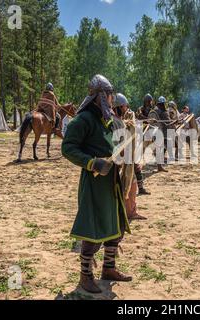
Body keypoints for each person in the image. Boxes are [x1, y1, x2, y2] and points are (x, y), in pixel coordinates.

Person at [61, 75, 132, 295]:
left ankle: (108, 268)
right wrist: (92, 162)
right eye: (110, 94)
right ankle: (85, 276)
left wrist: (119, 156)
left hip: (112, 182)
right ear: (102, 96)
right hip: (94, 183)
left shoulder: (106, 118)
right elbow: (68, 148)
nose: (112, 99)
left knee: (116, 226)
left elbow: (112, 143)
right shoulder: (84, 120)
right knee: (93, 230)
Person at [114, 93, 147, 221]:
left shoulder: (120, 120)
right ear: (118, 107)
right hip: (117, 162)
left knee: (131, 182)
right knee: (127, 184)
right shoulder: (115, 121)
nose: (125, 110)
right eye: (123, 107)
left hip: (125, 160)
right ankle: (127, 212)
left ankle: (130, 211)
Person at [148, 96, 171, 172]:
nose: (164, 106)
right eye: (163, 104)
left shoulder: (159, 110)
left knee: (160, 149)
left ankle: (160, 166)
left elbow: (163, 121)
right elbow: (152, 122)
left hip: (159, 132)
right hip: (156, 132)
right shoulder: (156, 110)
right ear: (161, 104)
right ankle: (159, 167)